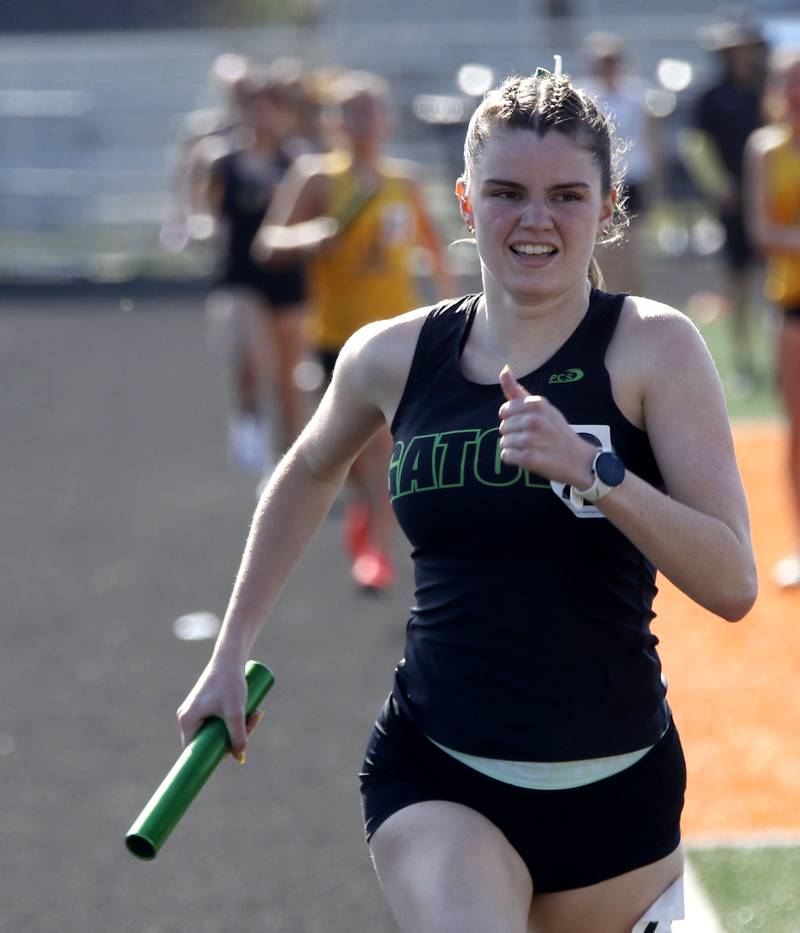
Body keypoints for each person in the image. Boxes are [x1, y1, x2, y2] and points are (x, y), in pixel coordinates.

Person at [177, 67, 757, 932]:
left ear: (606, 207)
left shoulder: (654, 348)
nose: (535, 219)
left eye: (567, 195)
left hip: (618, 793)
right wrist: (230, 652)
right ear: (464, 199)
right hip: (439, 770)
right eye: (506, 192)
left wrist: (595, 472)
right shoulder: (392, 354)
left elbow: (732, 581)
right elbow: (306, 471)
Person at [254, 71, 456, 590]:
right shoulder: (317, 178)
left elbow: (433, 248)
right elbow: (268, 242)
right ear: (334, 122)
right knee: (359, 446)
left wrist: (453, 306)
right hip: (339, 339)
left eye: (372, 110)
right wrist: (312, 237)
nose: (364, 121)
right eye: (353, 111)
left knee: (390, 442)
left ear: (386, 119)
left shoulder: (402, 182)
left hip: (402, 332)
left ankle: (379, 548)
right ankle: (370, 521)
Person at [203, 63, 310, 477]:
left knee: (289, 379)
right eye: (255, 107)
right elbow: (209, 210)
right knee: (251, 357)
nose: (263, 116)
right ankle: (247, 417)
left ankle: (286, 465)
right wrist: (202, 228)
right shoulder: (222, 162)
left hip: (287, 274)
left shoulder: (295, 161)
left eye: (271, 107)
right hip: (240, 274)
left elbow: (312, 207)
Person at [683, 21, 769, 392]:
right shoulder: (712, 96)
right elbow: (696, 146)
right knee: (738, 283)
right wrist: (719, 187)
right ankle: (744, 362)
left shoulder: (769, 90)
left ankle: (779, 359)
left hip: (772, 201)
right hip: (736, 204)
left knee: (778, 283)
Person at [745, 51, 800, 587]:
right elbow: (762, 230)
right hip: (793, 303)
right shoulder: (766, 148)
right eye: (789, 82)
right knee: (799, 427)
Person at [580, 33, 662, 295]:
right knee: (602, 249)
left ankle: (631, 302)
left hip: (632, 177)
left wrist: (654, 183)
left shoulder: (636, 96)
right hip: (601, 178)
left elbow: (648, 139)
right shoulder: (587, 96)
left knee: (631, 249)